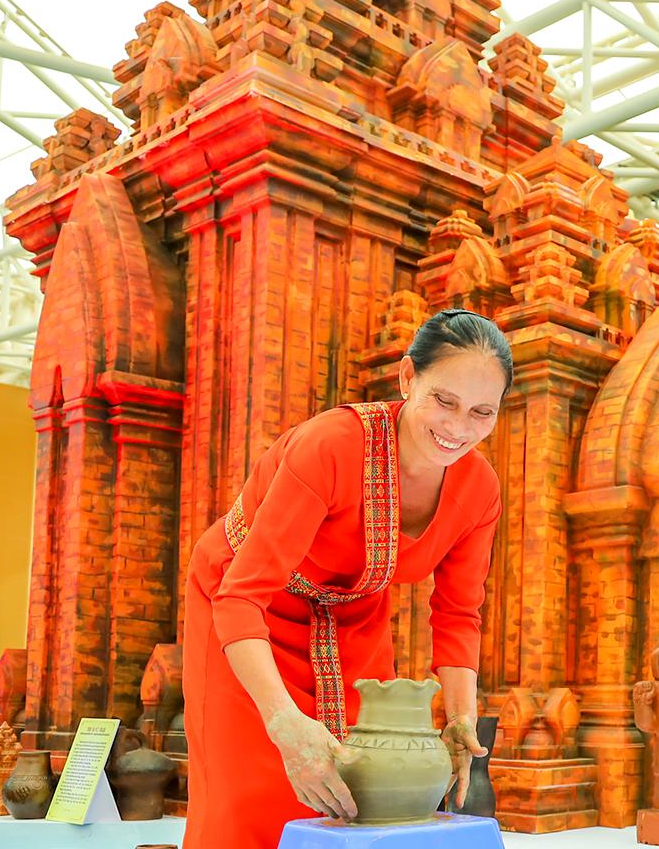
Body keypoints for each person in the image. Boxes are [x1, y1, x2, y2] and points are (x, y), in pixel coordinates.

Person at [182, 309, 513, 849]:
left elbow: (457, 614)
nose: (458, 428)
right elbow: (241, 596)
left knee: (365, 780)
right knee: (252, 789)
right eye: (443, 400)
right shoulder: (331, 446)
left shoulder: (480, 489)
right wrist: (284, 723)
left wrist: (460, 720)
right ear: (408, 378)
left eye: (481, 412)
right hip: (244, 605)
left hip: (354, 614)